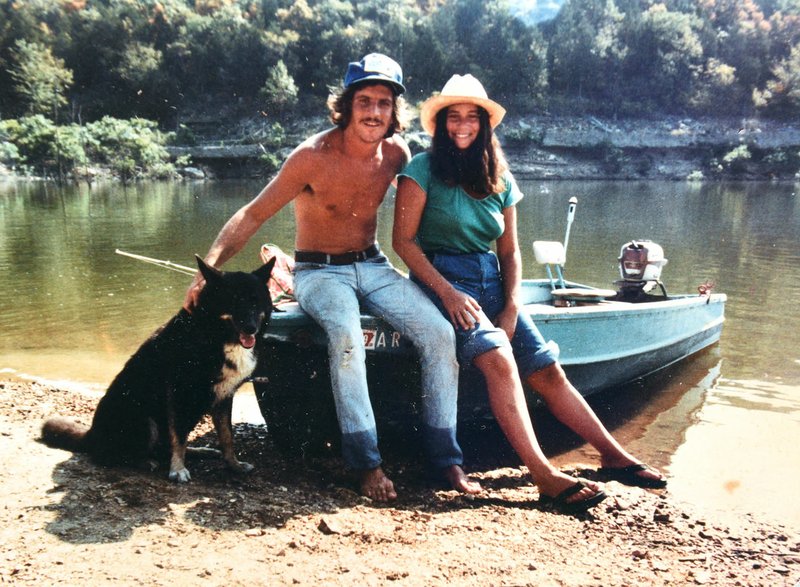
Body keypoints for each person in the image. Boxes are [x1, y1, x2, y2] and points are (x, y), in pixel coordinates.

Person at [183, 54, 481, 502]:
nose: (374, 112)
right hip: (318, 271)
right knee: (347, 335)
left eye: (384, 102)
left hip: (375, 264)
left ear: (393, 110)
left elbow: (426, 209)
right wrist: (208, 270)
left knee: (440, 334)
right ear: (346, 105)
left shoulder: (398, 154)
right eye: (365, 100)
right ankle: (365, 462)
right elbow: (253, 214)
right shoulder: (310, 157)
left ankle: (446, 458)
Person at [393, 74, 666, 513]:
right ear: (441, 123)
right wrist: (447, 294)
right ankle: (543, 474)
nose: (462, 125)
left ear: (485, 124)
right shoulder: (421, 169)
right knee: (500, 360)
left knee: (548, 371)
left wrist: (513, 303)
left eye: (472, 117)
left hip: (494, 283)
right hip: (444, 280)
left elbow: (511, 250)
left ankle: (613, 455)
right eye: (453, 117)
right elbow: (403, 243)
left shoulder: (498, 175)